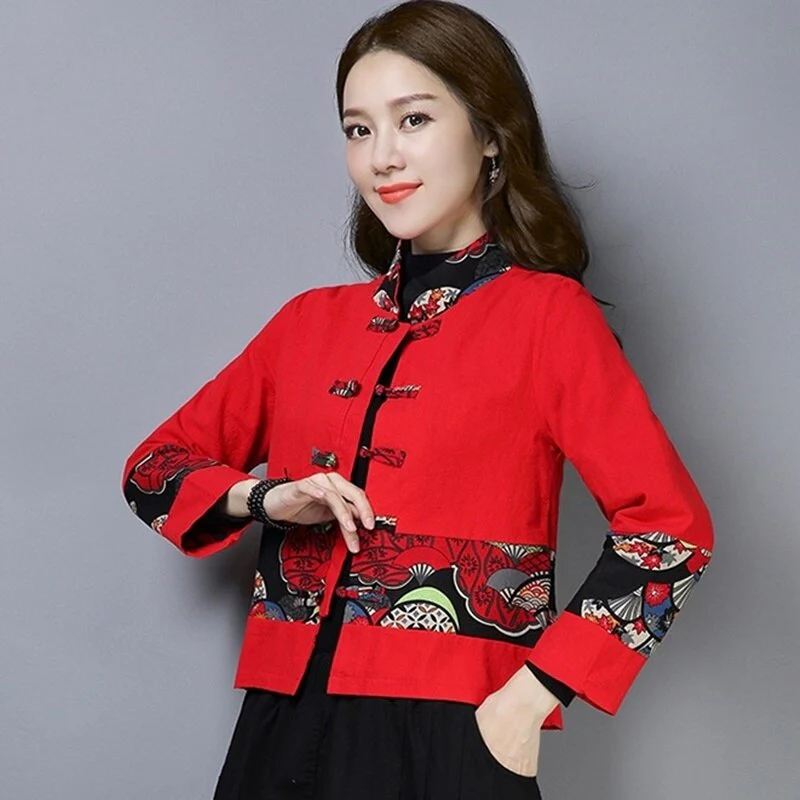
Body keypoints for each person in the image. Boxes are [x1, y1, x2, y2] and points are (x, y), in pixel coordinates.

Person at [120, 2, 715, 797]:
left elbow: (670, 530)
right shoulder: (307, 324)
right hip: (280, 721)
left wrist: (532, 697)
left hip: (452, 728)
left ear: (490, 132)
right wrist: (267, 497)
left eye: (414, 119)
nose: (383, 157)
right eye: (358, 129)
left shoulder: (548, 317)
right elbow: (152, 469)